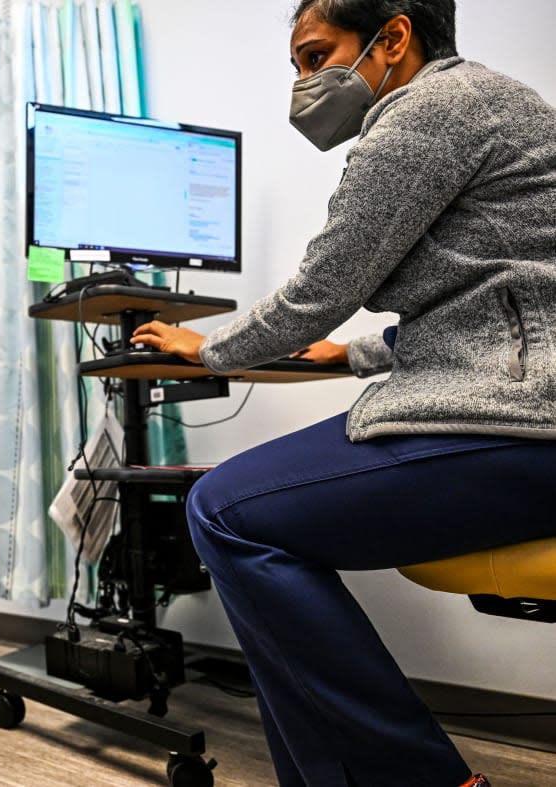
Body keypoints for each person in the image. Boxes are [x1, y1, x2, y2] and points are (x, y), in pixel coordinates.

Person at [131, 1, 555, 785]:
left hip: (517, 422)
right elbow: (498, 290)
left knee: (221, 511)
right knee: (237, 510)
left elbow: (318, 290)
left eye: (314, 56)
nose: (303, 82)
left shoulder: (428, 112)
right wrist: (350, 354)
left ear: (393, 38)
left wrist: (206, 346)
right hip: (525, 402)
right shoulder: (494, 102)